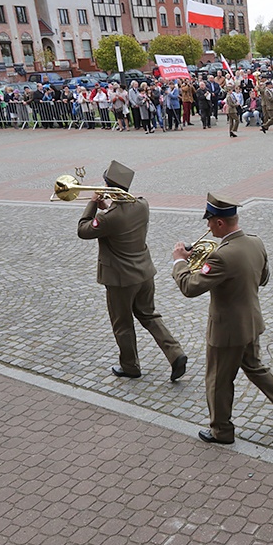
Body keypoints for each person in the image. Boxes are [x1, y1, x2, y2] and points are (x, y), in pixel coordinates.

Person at [171, 194, 273, 444]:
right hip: (251, 322)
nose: (208, 227)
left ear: (221, 223)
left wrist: (180, 262)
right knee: (256, 369)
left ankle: (221, 430)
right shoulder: (255, 243)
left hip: (227, 331)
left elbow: (189, 288)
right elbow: (263, 278)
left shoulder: (221, 255)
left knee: (218, 380)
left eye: (210, 222)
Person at [77, 161, 188, 381]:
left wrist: (92, 204)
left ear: (109, 188)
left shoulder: (108, 218)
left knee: (122, 323)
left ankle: (130, 366)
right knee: (149, 315)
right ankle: (175, 353)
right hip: (144, 273)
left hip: (120, 279)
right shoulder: (141, 205)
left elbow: (83, 229)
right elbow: (122, 212)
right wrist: (108, 205)